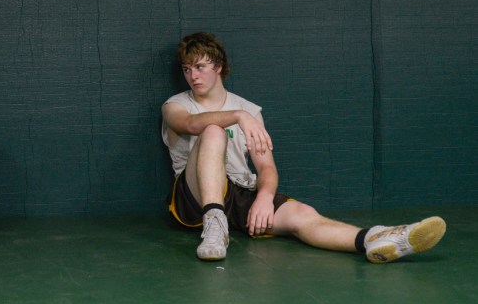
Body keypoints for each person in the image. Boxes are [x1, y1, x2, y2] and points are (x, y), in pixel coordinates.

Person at [161, 32, 446, 263]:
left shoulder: (249, 109)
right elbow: (190, 124)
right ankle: (214, 223)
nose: (193, 76)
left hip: (238, 191)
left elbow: (266, 167)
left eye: (200, 67)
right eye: (187, 69)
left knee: (303, 214)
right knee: (213, 130)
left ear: (218, 67)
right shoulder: (176, 105)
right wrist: (238, 117)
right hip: (193, 196)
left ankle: (376, 238)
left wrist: (264, 197)